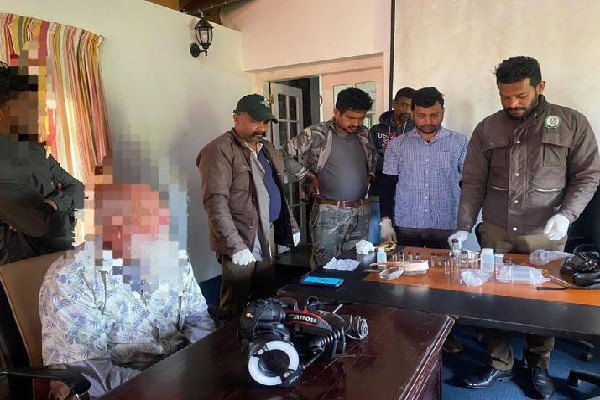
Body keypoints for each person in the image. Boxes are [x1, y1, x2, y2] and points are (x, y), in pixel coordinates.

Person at [449, 56, 600, 399]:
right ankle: (498, 362)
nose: (512, 103)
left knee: (543, 301)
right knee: (493, 297)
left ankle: (538, 365)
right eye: (505, 97)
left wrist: (567, 215)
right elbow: (472, 181)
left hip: (544, 234)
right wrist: (464, 226)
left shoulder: (571, 123)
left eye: (520, 95)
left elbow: (588, 175)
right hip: (496, 230)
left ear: (540, 86)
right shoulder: (488, 128)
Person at [40, 183, 215, 399]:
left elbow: (198, 318)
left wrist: (204, 367)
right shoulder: (72, 277)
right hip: (117, 391)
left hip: (181, 375)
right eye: (151, 218)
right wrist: (167, 388)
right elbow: (90, 376)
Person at [196, 94, 299, 320]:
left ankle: (262, 336)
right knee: (236, 301)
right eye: (255, 121)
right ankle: (229, 340)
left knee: (266, 295)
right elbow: (215, 202)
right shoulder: (218, 150)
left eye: (265, 122)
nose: (261, 127)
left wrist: (291, 225)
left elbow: (277, 190)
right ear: (237, 118)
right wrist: (236, 246)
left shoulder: (267, 149)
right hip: (240, 235)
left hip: (266, 231)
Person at [0, 61, 84, 265]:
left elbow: (80, 190)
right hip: (19, 270)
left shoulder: (35, 151)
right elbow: (42, 225)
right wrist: (61, 205)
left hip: (57, 262)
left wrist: (55, 202)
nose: (38, 115)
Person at [283, 87, 377, 268]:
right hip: (329, 212)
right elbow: (284, 156)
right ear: (336, 112)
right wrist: (307, 175)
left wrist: (369, 178)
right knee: (325, 267)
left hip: (360, 211)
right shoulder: (316, 133)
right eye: (351, 117)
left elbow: (372, 158)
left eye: (361, 118)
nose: (356, 123)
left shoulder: (364, 133)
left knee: (358, 264)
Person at [379, 87, 467, 249]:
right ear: (412, 113)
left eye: (434, 115)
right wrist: (385, 221)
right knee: (406, 265)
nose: (428, 121)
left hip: (446, 225)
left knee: (444, 266)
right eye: (421, 115)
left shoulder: (459, 143)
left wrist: (465, 226)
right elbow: (388, 185)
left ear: (443, 112)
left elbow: (470, 184)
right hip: (406, 225)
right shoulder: (397, 145)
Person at [368, 87, 416, 244]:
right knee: (378, 243)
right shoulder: (376, 130)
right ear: (394, 103)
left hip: (408, 197)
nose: (407, 110)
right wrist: (393, 165)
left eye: (411, 106)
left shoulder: (417, 130)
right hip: (379, 193)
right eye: (403, 104)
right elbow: (371, 158)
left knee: (404, 244)